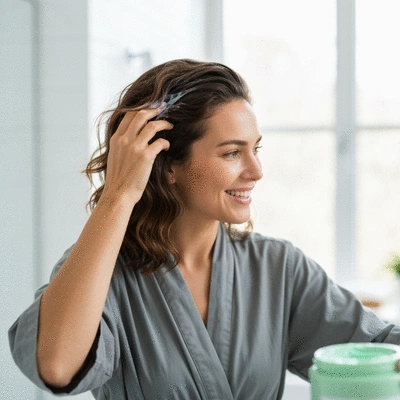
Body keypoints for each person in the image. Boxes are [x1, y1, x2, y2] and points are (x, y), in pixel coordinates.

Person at [8, 59, 400, 399]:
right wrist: (118, 194)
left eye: (255, 149)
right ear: (168, 163)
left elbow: (383, 351)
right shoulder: (102, 274)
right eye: (232, 152)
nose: (256, 171)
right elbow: (56, 367)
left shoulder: (278, 268)